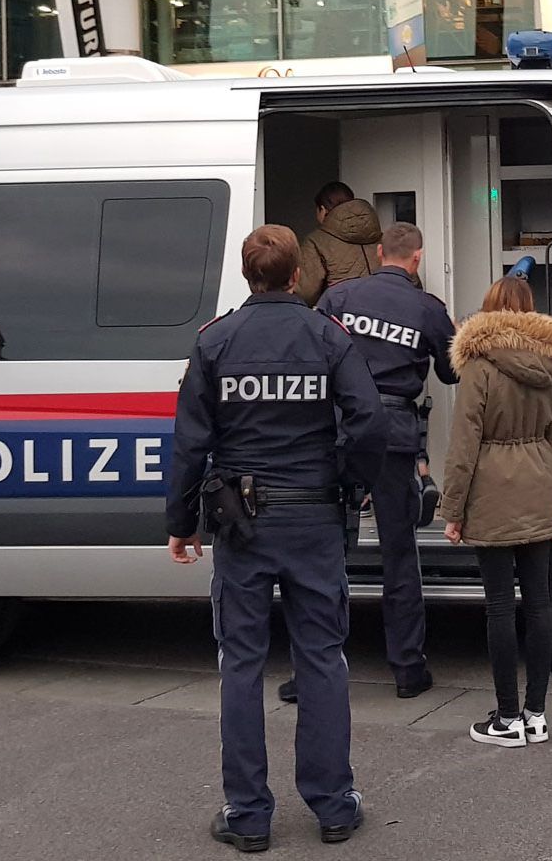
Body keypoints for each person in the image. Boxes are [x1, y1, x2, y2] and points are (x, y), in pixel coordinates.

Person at [166, 224, 387, 852]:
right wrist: (351, 480)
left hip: (242, 524)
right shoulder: (328, 336)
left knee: (240, 664)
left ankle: (249, 815)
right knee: (322, 659)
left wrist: (181, 523)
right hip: (315, 519)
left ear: (248, 275)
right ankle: (334, 806)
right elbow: (369, 420)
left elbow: (190, 443)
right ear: (297, 276)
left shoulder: (215, 341)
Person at [292, 221, 457, 704]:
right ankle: (408, 670)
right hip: (393, 436)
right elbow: (450, 373)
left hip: (339, 431)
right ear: (417, 258)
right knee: (399, 554)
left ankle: (311, 675)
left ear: (380, 251)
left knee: (326, 555)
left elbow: (308, 354)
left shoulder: (339, 298)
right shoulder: (428, 309)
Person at [439, 276, 552, 748]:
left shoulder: (480, 366)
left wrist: (453, 508)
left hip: (492, 490)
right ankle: (537, 714)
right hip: (539, 484)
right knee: (541, 604)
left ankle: (506, 718)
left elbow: (464, 444)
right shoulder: (551, 366)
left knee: (501, 607)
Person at [298, 182, 383, 307]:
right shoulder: (383, 237)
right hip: (384, 317)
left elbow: (306, 294)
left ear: (322, 209)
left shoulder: (316, 242)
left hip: (340, 318)